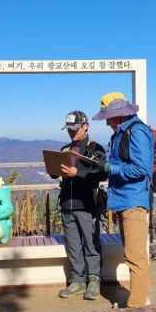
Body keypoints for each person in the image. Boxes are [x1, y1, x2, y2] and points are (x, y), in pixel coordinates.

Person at [92, 92, 154, 308]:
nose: (106, 122)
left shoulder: (137, 132)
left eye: (107, 117)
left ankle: (137, 308)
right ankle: (139, 299)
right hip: (124, 198)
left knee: (135, 256)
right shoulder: (122, 132)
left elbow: (141, 168)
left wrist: (111, 168)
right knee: (132, 253)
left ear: (118, 115)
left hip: (133, 200)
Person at [51, 111, 108, 301]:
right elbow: (54, 174)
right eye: (69, 129)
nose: (71, 133)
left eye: (75, 129)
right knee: (73, 245)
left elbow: (102, 174)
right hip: (67, 203)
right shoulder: (64, 149)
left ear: (85, 127)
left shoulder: (96, 149)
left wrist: (79, 172)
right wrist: (53, 168)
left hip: (87, 204)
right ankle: (77, 280)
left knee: (91, 244)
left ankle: (94, 280)